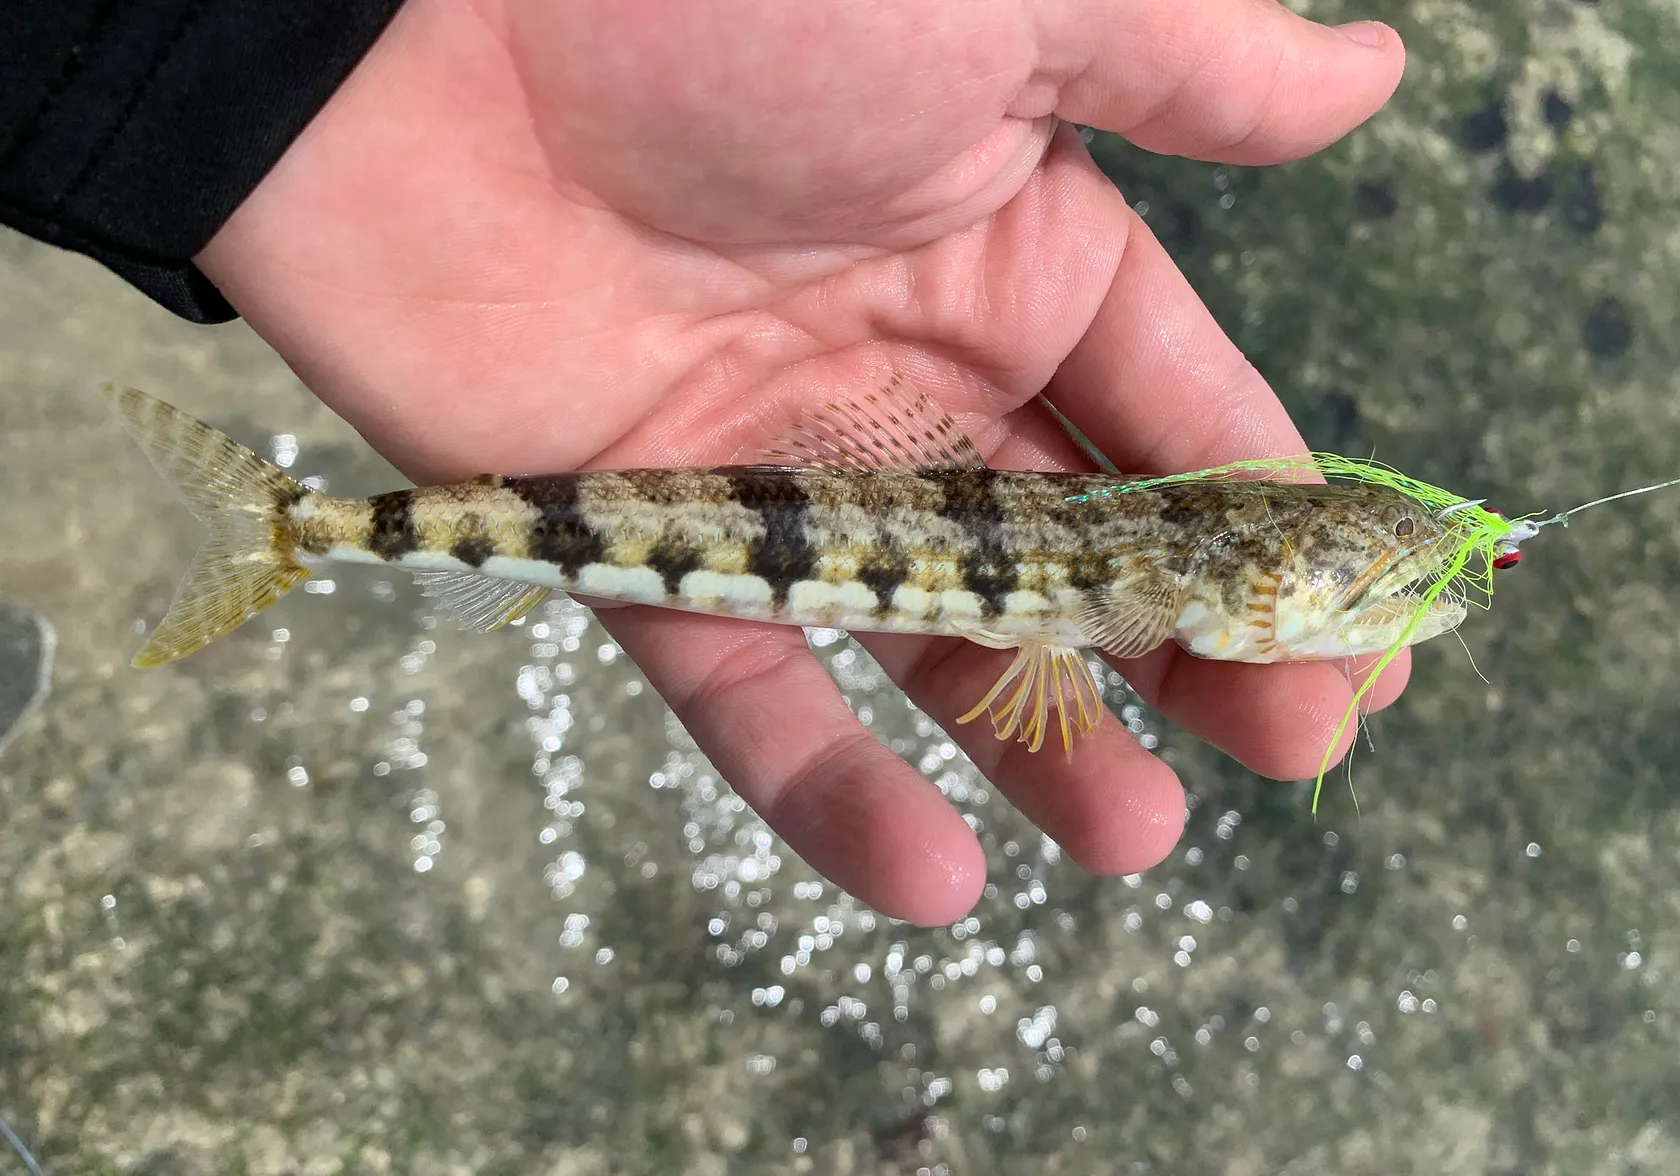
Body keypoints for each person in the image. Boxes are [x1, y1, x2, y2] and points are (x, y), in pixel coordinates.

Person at [3, 1, 1409, 925]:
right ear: (1248, 577)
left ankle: (311, 530)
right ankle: (299, 531)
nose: (1381, 599)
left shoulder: (1136, 578)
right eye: (1359, 584)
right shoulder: (1127, 588)